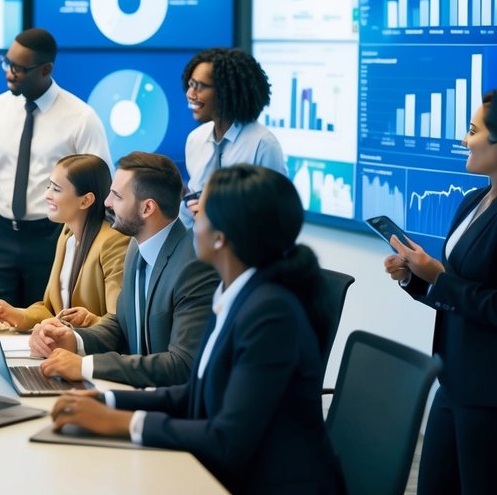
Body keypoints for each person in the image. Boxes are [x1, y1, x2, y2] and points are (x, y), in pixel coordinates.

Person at [50, 165, 343, 495]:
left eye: (199, 215)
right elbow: (195, 391)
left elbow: (227, 440)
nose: (191, 224)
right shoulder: (236, 293)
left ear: (221, 238)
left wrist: (124, 423)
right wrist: (109, 400)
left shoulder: (270, 313)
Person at [0, 28, 111, 307]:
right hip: (1, 236)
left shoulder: (81, 118)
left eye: (19, 68)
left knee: (46, 325)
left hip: (53, 237)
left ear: (46, 69)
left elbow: (100, 187)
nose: (9, 72)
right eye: (7, 63)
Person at [384, 91, 497, 494]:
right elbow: (455, 287)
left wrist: (438, 276)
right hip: (452, 380)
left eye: (473, 131)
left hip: (488, 396)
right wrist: (413, 278)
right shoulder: (473, 201)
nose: (465, 140)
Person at [33, 151, 217, 388]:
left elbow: (181, 365)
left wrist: (85, 366)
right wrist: (73, 340)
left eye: (117, 196)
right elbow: (122, 324)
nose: (107, 202)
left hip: (169, 406)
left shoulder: (193, 267)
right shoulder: (135, 247)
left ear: (147, 208)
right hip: (135, 390)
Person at [0, 154, 129, 332]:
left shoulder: (113, 242)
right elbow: (51, 310)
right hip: (63, 344)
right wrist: (15, 314)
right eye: (49, 186)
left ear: (86, 200)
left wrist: (90, 320)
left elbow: (119, 324)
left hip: (92, 351)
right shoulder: (66, 234)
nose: (47, 195)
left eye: (56, 189)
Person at [180, 47, 284, 225]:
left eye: (200, 86)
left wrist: (216, 214)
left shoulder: (262, 144)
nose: (191, 94)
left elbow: (276, 214)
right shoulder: (195, 139)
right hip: (199, 247)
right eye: (190, 84)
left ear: (226, 91)